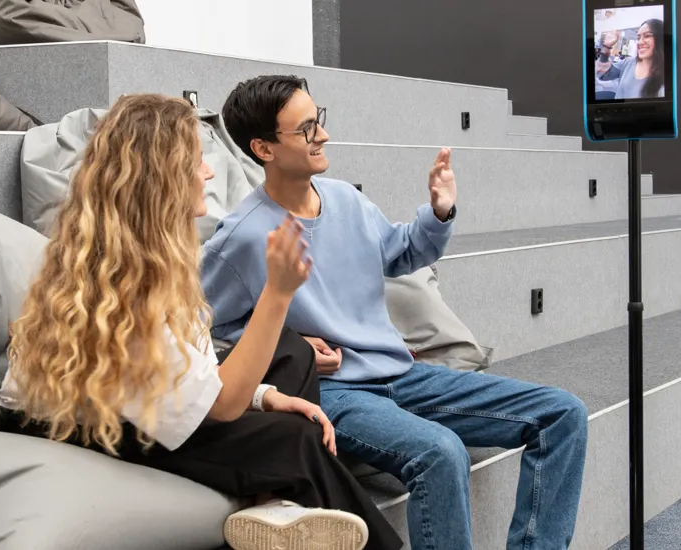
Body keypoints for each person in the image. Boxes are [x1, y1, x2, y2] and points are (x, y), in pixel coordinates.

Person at [0, 93, 403, 550]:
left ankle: (274, 500)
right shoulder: (126, 287)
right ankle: (358, 533)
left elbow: (194, 372)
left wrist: (266, 396)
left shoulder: (150, 252)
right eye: (195, 163)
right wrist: (278, 291)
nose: (208, 173)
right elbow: (221, 407)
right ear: (163, 179)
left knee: (290, 350)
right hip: (76, 425)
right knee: (293, 440)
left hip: (134, 399)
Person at [203, 76, 589, 550]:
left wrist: (439, 212)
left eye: (318, 120)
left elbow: (401, 252)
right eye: (305, 129)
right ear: (263, 147)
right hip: (334, 395)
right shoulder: (241, 236)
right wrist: (292, 347)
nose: (322, 135)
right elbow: (209, 334)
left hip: (401, 375)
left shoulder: (344, 198)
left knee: (563, 413)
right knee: (441, 452)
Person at [608, 19, 666, 100]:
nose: (640, 42)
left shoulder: (667, 78)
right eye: (638, 38)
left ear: (660, 39)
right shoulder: (628, 62)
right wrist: (606, 48)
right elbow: (603, 74)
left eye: (647, 36)